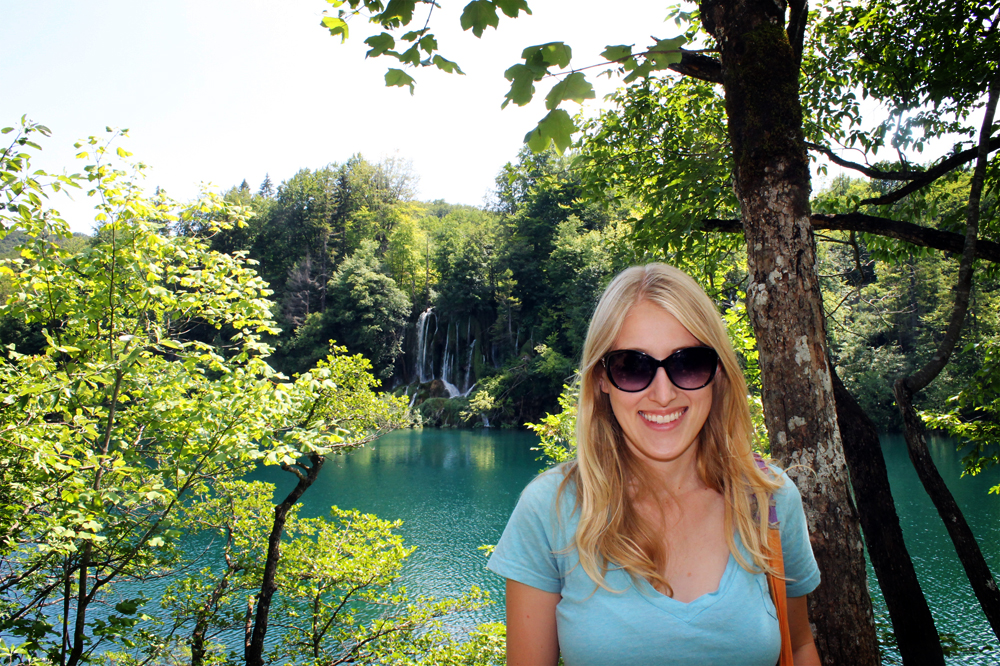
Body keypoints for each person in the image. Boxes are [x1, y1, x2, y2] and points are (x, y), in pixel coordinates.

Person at [487, 263, 821, 666]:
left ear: (717, 373)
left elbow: (800, 646)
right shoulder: (551, 508)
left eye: (688, 363)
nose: (663, 394)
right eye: (632, 367)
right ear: (601, 380)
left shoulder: (769, 498)